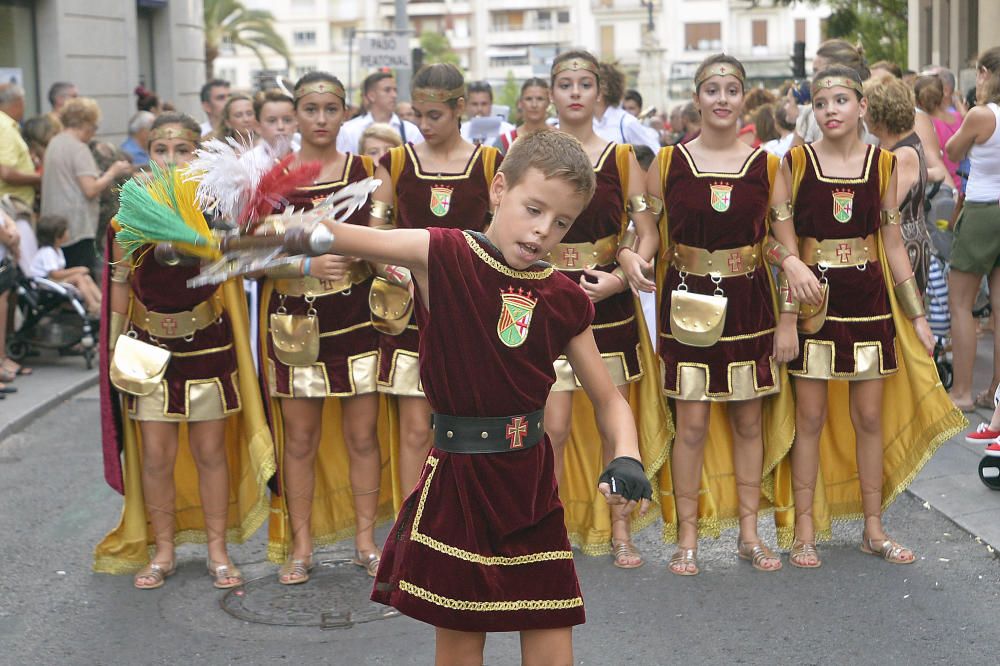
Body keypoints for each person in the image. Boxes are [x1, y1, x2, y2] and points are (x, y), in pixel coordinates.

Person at [319, 126, 653, 666]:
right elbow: (349, 237)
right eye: (534, 209)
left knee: (551, 632)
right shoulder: (444, 254)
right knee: (460, 648)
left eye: (562, 222)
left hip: (530, 486)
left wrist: (627, 454)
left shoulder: (565, 298)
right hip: (460, 483)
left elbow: (610, 399)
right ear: (498, 189)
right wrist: (268, 228)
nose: (544, 231)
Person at [783, 65, 964, 567]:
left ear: (862, 107)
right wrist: (786, 311)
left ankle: (873, 528)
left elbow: (892, 243)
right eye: (821, 104)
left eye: (841, 101)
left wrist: (917, 316)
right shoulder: (796, 163)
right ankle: (803, 531)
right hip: (815, 308)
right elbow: (782, 244)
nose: (831, 111)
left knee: (868, 418)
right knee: (811, 417)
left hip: (869, 304)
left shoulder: (882, 166)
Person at [94, 111, 275, 589]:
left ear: (199, 155)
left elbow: (241, 275)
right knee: (155, 455)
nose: (172, 160)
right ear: (147, 154)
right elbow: (119, 284)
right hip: (147, 348)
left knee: (210, 451)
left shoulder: (214, 211)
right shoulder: (126, 214)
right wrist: (112, 346)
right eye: (161, 150)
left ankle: (218, 550)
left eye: (183, 151)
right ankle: (164, 550)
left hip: (208, 347)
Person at [647, 54, 811, 575]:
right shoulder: (668, 162)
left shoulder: (768, 164)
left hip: (750, 308)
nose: (721, 99)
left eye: (731, 90)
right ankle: (687, 539)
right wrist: (629, 256)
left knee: (746, 421)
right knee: (691, 425)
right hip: (685, 305)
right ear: (697, 98)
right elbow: (647, 237)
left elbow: (782, 248)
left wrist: (789, 317)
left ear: (743, 98)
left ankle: (749, 533)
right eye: (712, 89)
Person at [259, 72, 392, 584]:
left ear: (345, 113)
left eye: (330, 109)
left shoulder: (369, 169)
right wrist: (304, 267)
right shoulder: (272, 177)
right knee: (299, 440)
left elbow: (385, 239)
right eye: (309, 109)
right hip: (294, 323)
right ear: (295, 114)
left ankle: (365, 540)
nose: (319, 119)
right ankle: (301, 545)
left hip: (358, 319)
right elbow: (247, 256)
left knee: (362, 437)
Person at [545, 49, 667, 569]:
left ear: (600, 93)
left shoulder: (622, 157)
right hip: (544, 297)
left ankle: (621, 530)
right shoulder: (529, 153)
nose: (575, 92)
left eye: (584, 83)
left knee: (608, 422)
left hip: (606, 304)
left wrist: (620, 278)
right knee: (550, 426)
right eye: (564, 83)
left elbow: (648, 233)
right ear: (551, 92)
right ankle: (545, 530)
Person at [368, 63, 502, 508]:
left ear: (460, 108)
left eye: (435, 116)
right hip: (411, 312)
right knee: (414, 427)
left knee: (468, 424)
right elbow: (375, 236)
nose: (424, 125)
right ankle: (413, 526)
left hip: (471, 313)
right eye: (418, 115)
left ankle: (467, 521)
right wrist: (394, 271)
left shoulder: (488, 163)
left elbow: (500, 239)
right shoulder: (396, 161)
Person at [944, 47, 1000, 413]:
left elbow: (952, 150)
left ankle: (962, 391)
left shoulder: (982, 114)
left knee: (961, 303)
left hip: (982, 209)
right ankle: (995, 393)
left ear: (984, 73)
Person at [40, 97, 131, 274]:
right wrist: (113, 171)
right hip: (76, 226)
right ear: (87, 123)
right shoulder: (78, 148)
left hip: (54, 221)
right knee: (81, 272)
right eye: (95, 126)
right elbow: (90, 189)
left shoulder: (55, 142)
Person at [865, 75, 933, 292]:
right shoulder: (891, 144)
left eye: (865, 106)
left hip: (904, 249)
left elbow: (882, 206)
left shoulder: (902, 155)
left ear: (880, 115)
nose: (861, 114)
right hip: (898, 246)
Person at [792, 39, 870, 146]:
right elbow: (793, 160)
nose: (814, 79)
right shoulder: (808, 115)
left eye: (817, 71)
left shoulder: (873, 122)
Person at [27, 214, 101, 315]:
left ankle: (101, 301)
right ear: (57, 237)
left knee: (86, 278)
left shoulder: (58, 250)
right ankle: (92, 305)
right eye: (66, 230)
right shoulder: (48, 252)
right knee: (78, 277)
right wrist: (77, 270)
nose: (68, 232)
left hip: (53, 281)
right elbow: (55, 274)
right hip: (45, 284)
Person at [337, 72, 422, 154]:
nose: (394, 95)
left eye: (395, 90)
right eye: (387, 90)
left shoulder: (411, 131)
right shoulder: (349, 131)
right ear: (371, 96)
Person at [592, 63, 660, 154]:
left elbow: (657, 155)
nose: (577, 92)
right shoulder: (585, 123)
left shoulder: (626, 122)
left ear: (602, 90)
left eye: (586, 85)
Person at [915, 75, 962, 189]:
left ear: (917, 100)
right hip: (961, 180)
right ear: (942, 96)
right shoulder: (958, 117)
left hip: (940, 186)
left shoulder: (924, 125)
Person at [0, 84, 40, 208]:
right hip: (12, 206)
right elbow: (6, 173)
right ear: (19, 102)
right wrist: (41, 178)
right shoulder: (6, 127)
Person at [498, 77, 550, 155]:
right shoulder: (506, 141)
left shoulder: (562, 139)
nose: (534, 104)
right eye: (528, 99)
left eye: (540, 99)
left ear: (549, 102)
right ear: (520, 103)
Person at [460, 80, 515, 145]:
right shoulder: (459, 132)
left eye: (484, 104)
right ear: (466, 105)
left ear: (491, 104)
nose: (479, 109)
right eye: (474, 104)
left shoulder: (508, 131)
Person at [253, 89, 298, 154]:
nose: (280, 127)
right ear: (258, 127)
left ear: (296, 125)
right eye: (272, 121)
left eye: (287, 120)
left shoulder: (309, 157)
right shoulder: (247, 161)